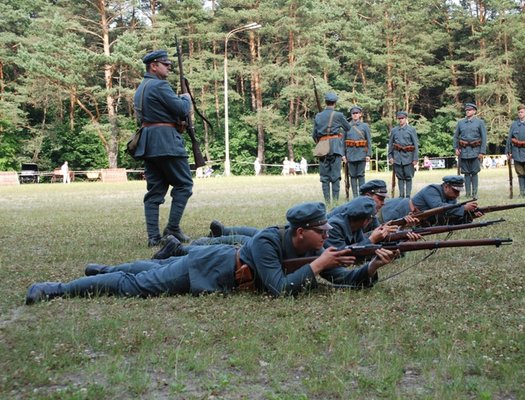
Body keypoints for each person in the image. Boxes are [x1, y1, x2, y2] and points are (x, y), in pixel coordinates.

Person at [25, 202, 401, 304]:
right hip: (207, 267)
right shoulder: (269, 240)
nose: (327, 238)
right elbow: (278, 290)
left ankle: (100, 268)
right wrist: (319, 265)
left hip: (209, 267)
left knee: (140, 268)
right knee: (133, 285)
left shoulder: (317, 250)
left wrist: (370, 268)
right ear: (301, 233)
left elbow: (347, 280)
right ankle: (55, 288)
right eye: (322, 233)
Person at [133, 50, 193, 247]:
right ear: (154, 66)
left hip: (149, 144)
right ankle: (173, 228)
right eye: (165, 64)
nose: (169, 67)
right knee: (184, 184)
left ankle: (153, 237)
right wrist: (186, 97)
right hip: (166, 142)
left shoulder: (142, 87)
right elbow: (182, 109)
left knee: (155, 191)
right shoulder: (159, 85)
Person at [313, 92, 351, 203]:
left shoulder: (318, 116)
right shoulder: (338, 115)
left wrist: (321, 143)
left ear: (325, 102)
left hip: (322, 147)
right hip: (335, 148)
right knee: (335, 176)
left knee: (324, 178)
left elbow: (314, 135)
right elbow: (348, 128)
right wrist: (337, 135)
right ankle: (335, 201)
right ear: (335, 103)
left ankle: (327, 201)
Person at [409, 175, 481, 225]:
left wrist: (469, 215)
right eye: (455, 191)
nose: (458, 195)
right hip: (403, 212)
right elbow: (439, 207)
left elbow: (449, 216)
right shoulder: (431, 190)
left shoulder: (451, 197)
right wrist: (464, 208)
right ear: (446, 187)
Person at [453, 103, 487, 197]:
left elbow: (484, 138)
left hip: (475, 151)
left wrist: (482, 152)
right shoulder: (460, 123)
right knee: (466, 173)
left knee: (474, 172)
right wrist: (456, 148)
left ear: (474, 111)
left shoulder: (479, 122)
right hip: (464, 152)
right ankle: (467, 193)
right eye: (466, 110)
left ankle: (475, 193)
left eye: (470, 110)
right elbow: (456, 137)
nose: (468, 111)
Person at [388, 111, 419, 198]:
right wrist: (390, 156)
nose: (401, 120)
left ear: (406, 119)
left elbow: (415, 145)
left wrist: (415, 158)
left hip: (408, 157)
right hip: (397, 157)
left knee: (408, 177)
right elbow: (390, 144)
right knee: (400, 177)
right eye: (399, 118)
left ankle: (408, 195)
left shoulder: (411, 130)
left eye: (402, 118)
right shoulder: (394, 130)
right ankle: (401, 195)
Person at [343, 105, 372, 198]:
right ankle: (355, 196)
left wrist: (368, 154)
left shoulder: (365, 126)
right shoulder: (347, 126)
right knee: (352, 176)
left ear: (360, 114)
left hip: (361, 154)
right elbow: (343, 142)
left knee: (361, 175)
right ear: (351, 115)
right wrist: (343, 155)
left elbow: (369, 141)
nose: (355, 115)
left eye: (357, 113)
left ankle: (362, 196)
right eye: (353, 113)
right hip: (350, 155)